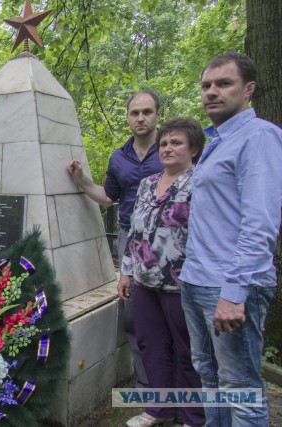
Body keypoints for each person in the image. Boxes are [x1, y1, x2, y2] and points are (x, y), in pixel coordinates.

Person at [180, 52, 282, 426]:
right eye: (206, 85)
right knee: (209, 375)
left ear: (249, 89)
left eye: (224, 84)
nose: (211, 92)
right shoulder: (217, 143)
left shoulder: (259, 138)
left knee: (241, 391)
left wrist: (234, 292)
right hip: (197, 281)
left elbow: (260, 224)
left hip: (230, 286)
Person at [67, 90, 163, 392]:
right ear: (127, 117)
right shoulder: (119, 157)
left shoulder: (173, 148)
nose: (141, 118)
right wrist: (81, 180)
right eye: (135, 113)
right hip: (130, 243)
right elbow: (108, 198)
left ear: (158, 114)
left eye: (147, 112)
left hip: (170, 242)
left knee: (174, 318)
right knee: (134, 317)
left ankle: (176, 393)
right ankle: (147, 391)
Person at [119, 118, 206, 427]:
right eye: (164, 143)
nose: (168, 148)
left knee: (187, 351)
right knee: (151, 345)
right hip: (144, 282)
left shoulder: (201, 182)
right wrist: (126, 271)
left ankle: (194, 417)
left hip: (182, 284)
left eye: (177, 142)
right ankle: (160, 409)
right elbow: (134, 231)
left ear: (193, 148)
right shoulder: (148, 183)